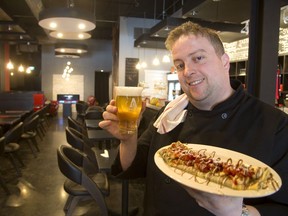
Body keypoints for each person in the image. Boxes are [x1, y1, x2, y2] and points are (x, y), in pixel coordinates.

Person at [99, 21, 288, 216]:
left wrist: (238, 213)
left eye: (198, 58)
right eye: (180, 65)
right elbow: (135, 168)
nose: (187, 71)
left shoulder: (274, 125)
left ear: (224, 62)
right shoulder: (168, 114)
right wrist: (128, 139)